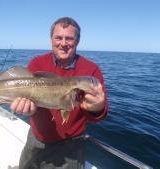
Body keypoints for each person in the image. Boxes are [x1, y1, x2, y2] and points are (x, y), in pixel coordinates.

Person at [11, 17, 108, 169]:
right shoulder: (37, 63)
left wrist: (98, 107)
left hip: (70, 145)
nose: (63, 43)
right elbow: (27, 99)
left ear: (77, 41)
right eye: (58, 38)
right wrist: (25, 109)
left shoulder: (92, 71)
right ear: (51, 40)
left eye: (69, 38)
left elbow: (99, 114)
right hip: (36, 139)